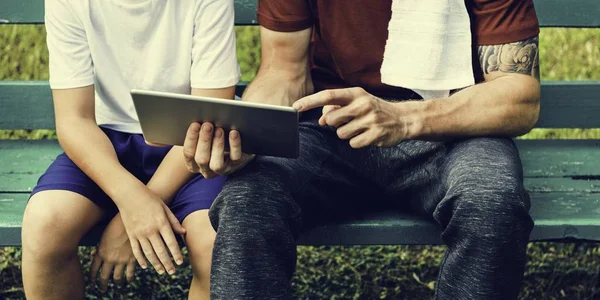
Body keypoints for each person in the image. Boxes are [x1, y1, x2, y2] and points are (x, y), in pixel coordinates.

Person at [183, 0, 541, 299]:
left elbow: (519, 96)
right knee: (248, 200)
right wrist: (250, 133)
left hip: (451, 127)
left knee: (492, 201)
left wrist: (402, 119)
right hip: (330, 127)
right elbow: (284, 71)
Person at [20, 0, 240, 299]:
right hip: (103, 144)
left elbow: (210, 116)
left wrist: (130, 218)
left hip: (190, 148)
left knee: (214, 242)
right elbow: (75, 120)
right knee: (45, 225)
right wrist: (133, 202)